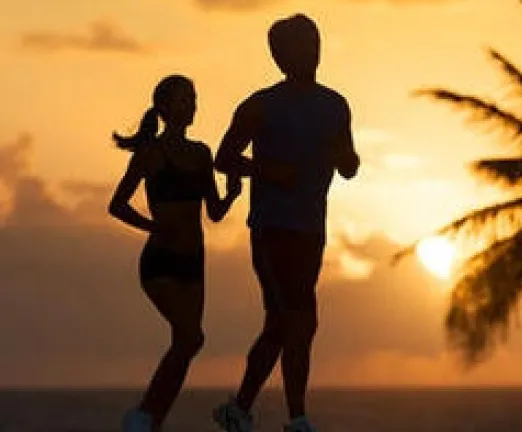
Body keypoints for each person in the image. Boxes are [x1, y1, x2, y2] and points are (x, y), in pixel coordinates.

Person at [211, 14, 360, 432]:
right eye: (297, 44)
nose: (308, 51)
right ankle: (297, 419)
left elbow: (348, 163)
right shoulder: (261, 105)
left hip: (312, 229)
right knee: (302, 318)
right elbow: (223, 158)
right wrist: (266, 171)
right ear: (278, 54)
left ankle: (238, 410)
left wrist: (347, 161)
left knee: (280, 325)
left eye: (313, 41)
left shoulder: (335, 105)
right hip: (272, 227)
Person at [108, 74, 242, 432]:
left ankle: (152, 421)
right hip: (161, 261)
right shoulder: (150, 154)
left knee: (185, 343)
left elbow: (213, 212)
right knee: (191, 337)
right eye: (184, 99)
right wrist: (152, 227)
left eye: (194, 98)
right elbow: (117, 205)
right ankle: (143, 414)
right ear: (165, 107)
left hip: (193, 263)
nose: (192, 105)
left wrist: (230, 194)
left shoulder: (201, 154)